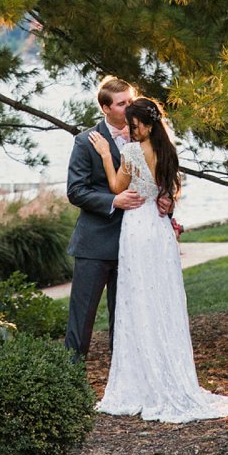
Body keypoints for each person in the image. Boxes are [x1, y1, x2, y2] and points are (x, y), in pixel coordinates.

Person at [88, 96, 228, 423]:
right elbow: (169, 192)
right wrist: (168, 201)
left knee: (139, 300)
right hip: (160, 233)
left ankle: (144, 382)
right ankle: (168, 372)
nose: (130, 129)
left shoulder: (130, 152)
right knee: (164, 301)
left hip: (138, 231)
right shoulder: (169, 151)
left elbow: (116, 185)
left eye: (134, 124)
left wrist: (104, 155)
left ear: (146, 122)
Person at [65, 77, 154, 358]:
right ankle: (70, 383)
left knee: (127, 320)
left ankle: (123, 387)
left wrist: (166, 200)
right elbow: (76, 191)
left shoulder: (145, 135)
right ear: (106, 108)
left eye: (131, 100)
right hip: (95, 245)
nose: (130, 108)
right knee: (82, 320)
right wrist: (113, 200)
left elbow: (160, 177)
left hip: (134, 243)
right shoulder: (85, 141)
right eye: (122, 104)